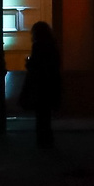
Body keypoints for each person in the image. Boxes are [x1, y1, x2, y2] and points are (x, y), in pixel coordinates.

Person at [20, 19, 63, 149]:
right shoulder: (53, 45)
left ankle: (42, 140)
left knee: (41, 114)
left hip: (40, 84)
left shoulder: (38, 46)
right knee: (47, 114)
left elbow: (34, 65)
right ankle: (48, 139)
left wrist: (28, 62)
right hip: (51, 83)